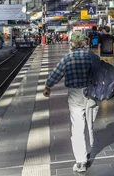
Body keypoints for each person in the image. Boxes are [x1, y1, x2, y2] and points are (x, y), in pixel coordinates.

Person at [43, 31, 98, 173]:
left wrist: (48, 86)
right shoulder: (92, 57)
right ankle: (89, 149)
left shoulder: (67, 58)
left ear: (72, 43)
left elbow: (56, 74)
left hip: (75, 94)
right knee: (89, 125)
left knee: (77, 127)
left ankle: (81, 161)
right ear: (84, 42)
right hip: (91, 93)